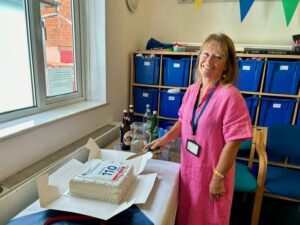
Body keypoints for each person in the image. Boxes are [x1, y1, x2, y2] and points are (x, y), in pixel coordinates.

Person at [144, 33, 252, 225]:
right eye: (206, 54)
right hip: (190, 170)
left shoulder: (231, 96)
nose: (209, 60)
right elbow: (183, 121)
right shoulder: (193, 89)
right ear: (199, 56)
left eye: (218, 56)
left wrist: (218, 178)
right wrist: (164, 139)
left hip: (213, 173)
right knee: (187, 215)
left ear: (227, 65)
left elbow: (233, 143)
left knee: (208, 218)